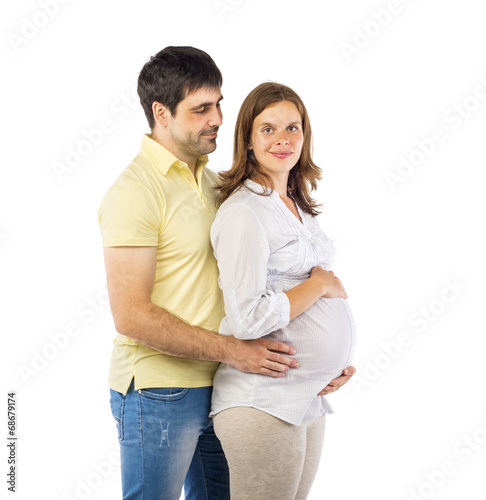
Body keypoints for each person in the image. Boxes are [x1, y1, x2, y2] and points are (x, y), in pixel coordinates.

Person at [98, 46, 355, 500]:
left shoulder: (216, 184)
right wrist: (234, 350)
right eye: (201, 109)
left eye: (219, 103)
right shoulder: (134, 192)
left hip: (222, 380)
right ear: (161, 112)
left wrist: (316, 366)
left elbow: (264, 278)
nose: (217, 117)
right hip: (161, 389)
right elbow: (131, 315)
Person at [210, 82, 357, 500]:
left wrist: (334, 365)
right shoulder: (244, 211)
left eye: (293, 127)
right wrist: (317, 285)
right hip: (262, 401)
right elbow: (247, 317)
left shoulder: (295, 202)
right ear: (248, 140)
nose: (283, 139)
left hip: (305, 396)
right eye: (268, 129)